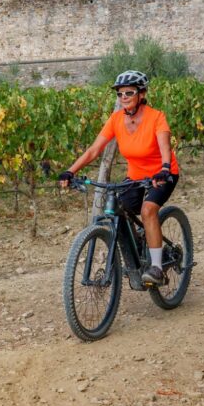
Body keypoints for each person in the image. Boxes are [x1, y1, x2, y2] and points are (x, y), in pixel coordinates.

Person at [57, 70, 179, 286]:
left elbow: (164, 145)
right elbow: (94, 150)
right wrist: (71, 171)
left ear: (142, 94)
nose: (123, 98)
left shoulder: (156, 117)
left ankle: (158, 268)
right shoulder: (115, 120)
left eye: (129, 93)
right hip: (135, 176)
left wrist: (165, 168)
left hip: (161, 175)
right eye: (120, 94)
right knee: (119, 208)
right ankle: (140, 244)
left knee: (148, 210)